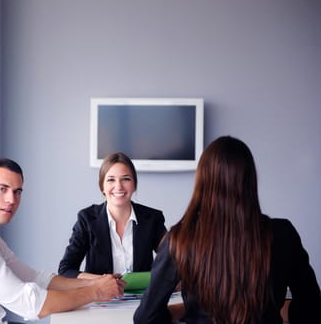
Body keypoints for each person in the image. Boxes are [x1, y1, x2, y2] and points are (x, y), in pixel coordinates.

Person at [133, 136, 321, 324]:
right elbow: (312, 308)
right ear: (249, 181)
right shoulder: (283, 234)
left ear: (202, 181)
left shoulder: (181, 238)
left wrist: (183, 312)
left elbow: (145, 318)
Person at [0, 158, 125, 324]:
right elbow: (32, 305)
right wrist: (96, 292)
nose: (11, 199)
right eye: (2, 189)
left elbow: (34, 278)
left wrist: (93, 282)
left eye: (17, 192)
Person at [58, 152, 167, 279]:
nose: (118, 186)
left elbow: (173, 261)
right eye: (111, 180)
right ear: (102, 187)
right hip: (100, 297)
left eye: (126, 179)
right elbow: (66, 270)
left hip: (144, 297)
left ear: (134, 185)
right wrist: (101, 281)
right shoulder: (87, 219)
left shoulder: (152, 219)